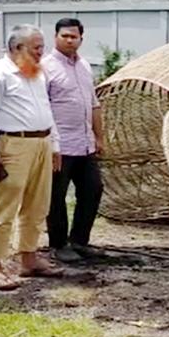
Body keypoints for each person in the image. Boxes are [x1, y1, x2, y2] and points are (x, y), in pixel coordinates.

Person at [0, 24, 64, 290]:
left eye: (42, 47)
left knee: (38, 204)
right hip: (13, 144)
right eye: (36, 47)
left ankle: (28, 258)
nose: (42, 52)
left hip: (40, 142)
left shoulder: (38, 74)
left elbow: (46, 109)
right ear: (17, 48)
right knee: (4, 205)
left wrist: (54, 145)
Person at [42, 18, 104, 263]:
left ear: (81, 39)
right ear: (55, 37)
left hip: (85, 143)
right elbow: (42, 107)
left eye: (74, 36)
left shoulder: (85, 66)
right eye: (64, 36)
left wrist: (99, 137)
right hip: (60, 145)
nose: (69, 40)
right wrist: (49, 143)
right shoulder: (45, 67)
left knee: (93, 189)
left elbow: (94, 103)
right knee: (56, 196)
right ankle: (58, 244)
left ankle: (80, 241)